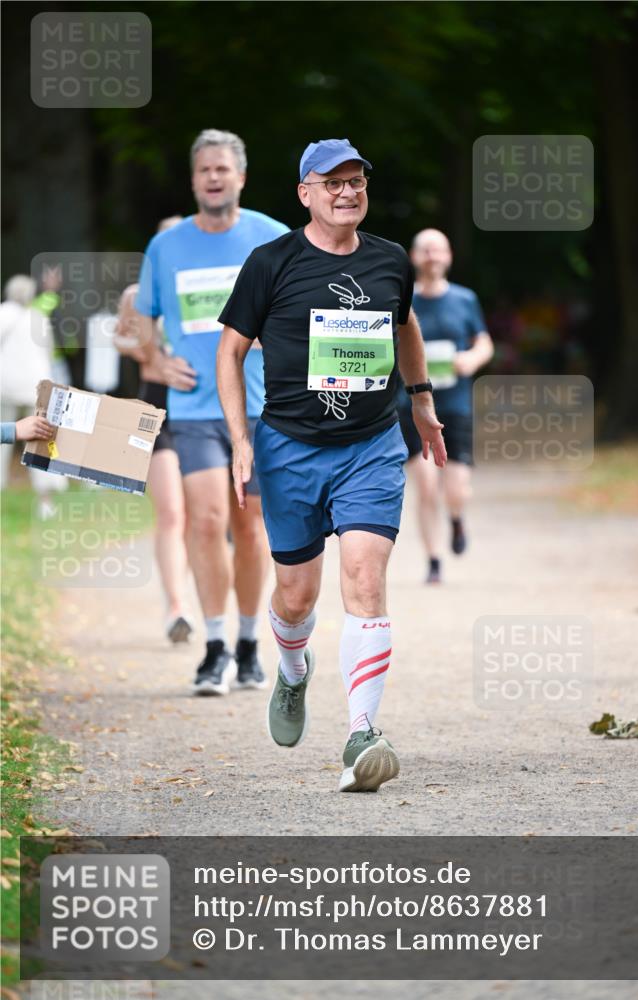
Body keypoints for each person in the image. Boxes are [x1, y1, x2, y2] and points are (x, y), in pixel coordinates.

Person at [217, 138, 446, 793]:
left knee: (364, 576)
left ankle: (360, 733)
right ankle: (292, 672)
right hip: (287, 448)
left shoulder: (389, 261)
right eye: (332, 182)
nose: (347, 192)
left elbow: (404, 326)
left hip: (371, 444)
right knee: (295, 597)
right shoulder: (271, 263)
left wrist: (422, 400)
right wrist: (239, 439)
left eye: (356, 182)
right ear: (305, 193)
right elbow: (229, 353)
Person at [134, 130, 289, 694]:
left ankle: (250, 643)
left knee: (250, 529)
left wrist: (285, 339)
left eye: (223, 169)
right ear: (194, 179)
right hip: (196, 408)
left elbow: (308, 306)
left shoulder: (273, 237)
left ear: (241, 177)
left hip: (263, 409)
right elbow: (140, 320)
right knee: (203, 522)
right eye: (204, 170)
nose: (214, 178)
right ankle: (215, 645)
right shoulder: (167, 247)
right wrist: (156, 359)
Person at [115, 215, 194, 644]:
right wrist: (150, 352)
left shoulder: (200, 292)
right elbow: (119, 340)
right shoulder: (136, 295)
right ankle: (176, 607)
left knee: (199, 517)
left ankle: (186, 595)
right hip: (153, 407)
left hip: (198, 409)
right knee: (170, 512)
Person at [398, 229, 493, 584]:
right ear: (414, 256)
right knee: (424, 486)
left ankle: (456, 518)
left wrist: (471, 359)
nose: (432, 257)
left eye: (438, 250)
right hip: (411, 405)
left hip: (454, 405)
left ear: (449, 256)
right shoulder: (402, 300)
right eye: (425, 250)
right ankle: (433, 560)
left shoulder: (464, 299)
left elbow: (484, 343)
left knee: (456, 489)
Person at [0, 274, 68, 515]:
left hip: (5, 386)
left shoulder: (3, 313)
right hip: (35, 386)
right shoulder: (37, 317)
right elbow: (49, 352)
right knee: (39, 438)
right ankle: (46, 495)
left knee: (2, 437)